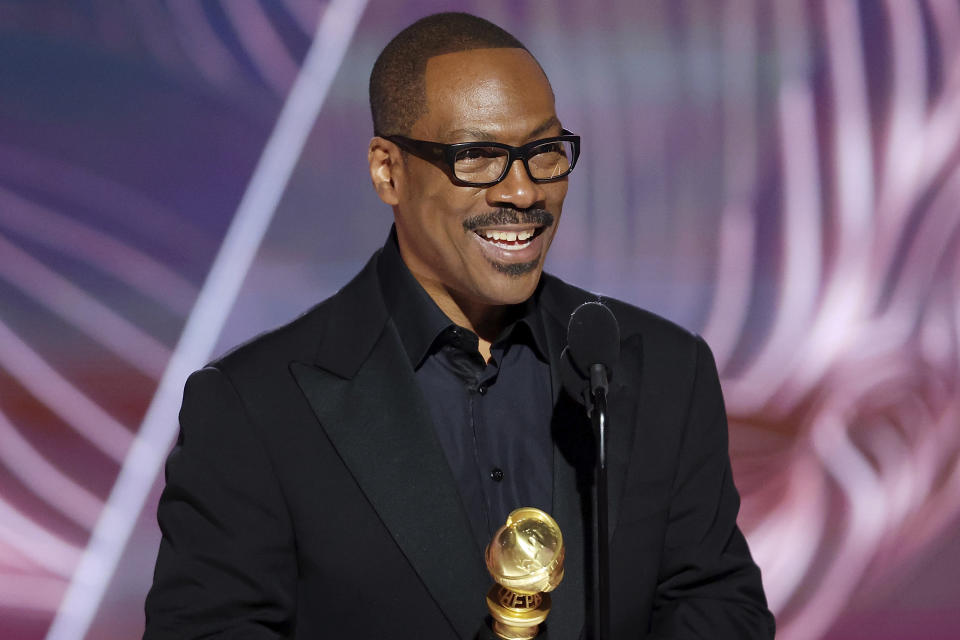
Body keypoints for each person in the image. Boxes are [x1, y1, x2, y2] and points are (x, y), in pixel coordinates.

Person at [144, 12, 775, 640]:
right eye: (479, 158)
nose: (524, 192)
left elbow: (718, 604)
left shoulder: (661, 369)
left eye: (543, 152)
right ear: (388, 171)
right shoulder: (256, 407)